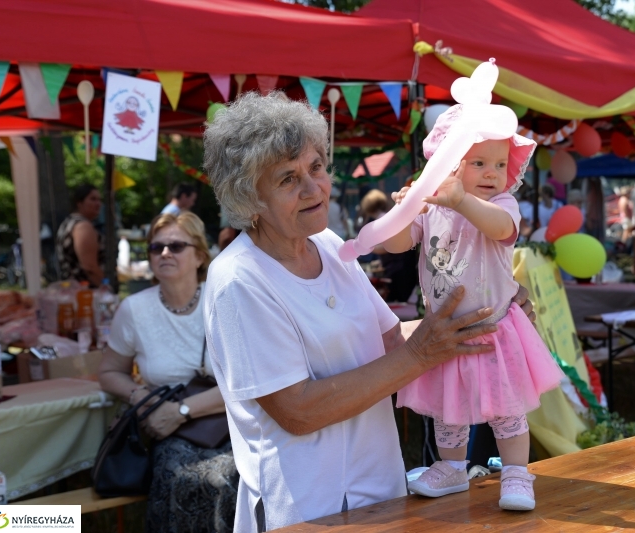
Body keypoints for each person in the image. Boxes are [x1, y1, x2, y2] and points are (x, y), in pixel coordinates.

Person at [201, 92, 538, 531]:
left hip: (381, 495)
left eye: (316, 167)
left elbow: (391, 341)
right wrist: (423, 352)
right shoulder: (238, 280)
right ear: (249, 198)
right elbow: (297, 410)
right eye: (287, 179)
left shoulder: (327, 245)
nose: (313, 188)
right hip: (305, 511)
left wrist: (489, 316)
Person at [384, 104, 563, 511]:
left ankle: (516, 472)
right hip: (445, 332)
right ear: (448, 164)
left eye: (499, 164)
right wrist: (404, 212)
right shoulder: (431, 208)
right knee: (448, 408)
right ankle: (452, 467)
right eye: (478, 163)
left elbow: (500, 229)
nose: (491, 173)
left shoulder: (502, 204)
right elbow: (395, 244)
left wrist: (461, 199)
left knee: (507, 408)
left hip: (494, 328)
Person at [98, 212, 238, 533]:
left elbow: (247, 383)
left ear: (199, 256)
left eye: (176, 246)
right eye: (155, 247)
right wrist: (142, 397)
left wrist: (181, 411)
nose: (164, 253)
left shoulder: (225, 300)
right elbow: (109, 372)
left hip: (228, 424)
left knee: (227, 479)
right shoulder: (134, 309)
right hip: (169, 430)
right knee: (177, 477)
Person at [56, 184, 104, 287]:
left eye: (99, 200)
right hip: (86, 292)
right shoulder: (82, 226)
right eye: (93, 199)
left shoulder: (68, 222)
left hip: (70, 289)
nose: (98, 204)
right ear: (79, 203)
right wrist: (105, 287)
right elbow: (89, 267)